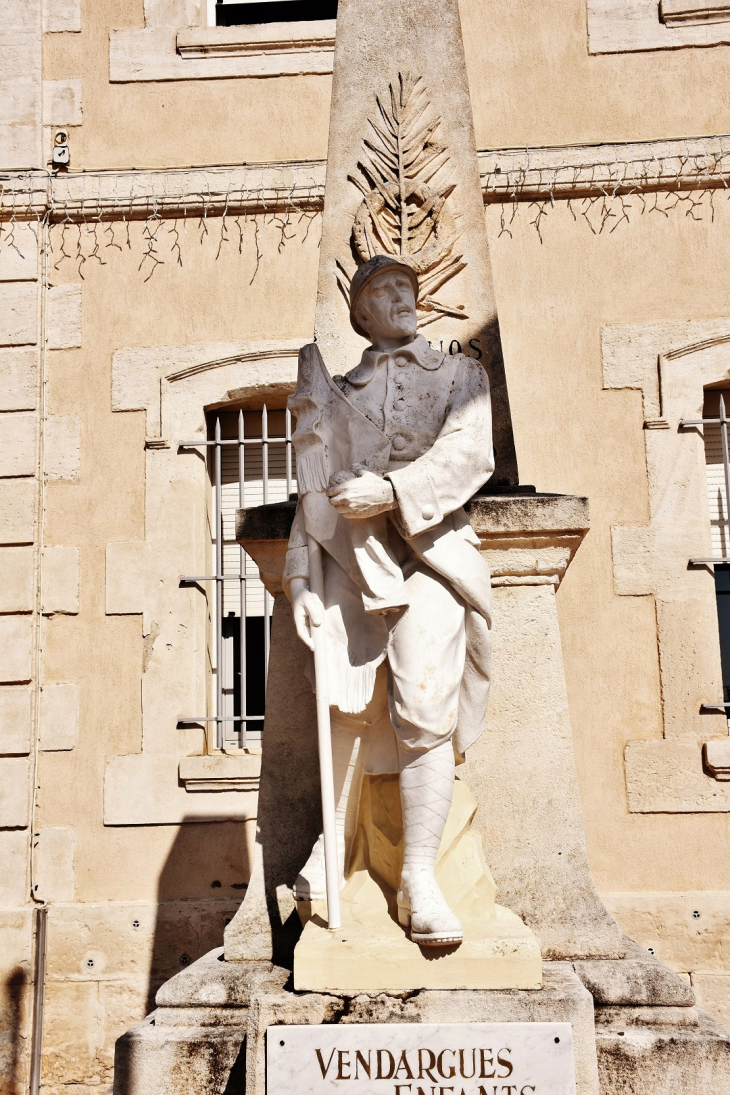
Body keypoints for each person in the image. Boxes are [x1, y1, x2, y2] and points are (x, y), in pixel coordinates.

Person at [284, 254, 494, 946]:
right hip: (349, 553)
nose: (403, 297)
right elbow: (311, 487)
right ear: (361, 313)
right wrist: (301, 581)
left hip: (431, 550)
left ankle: (421, 877)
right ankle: (332, 843)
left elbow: (470, 454)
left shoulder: (462, 375)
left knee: (425, 700)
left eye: (409, 286)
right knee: (342, 696)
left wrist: (394, 491)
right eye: (385, 291)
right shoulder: (335, 393)